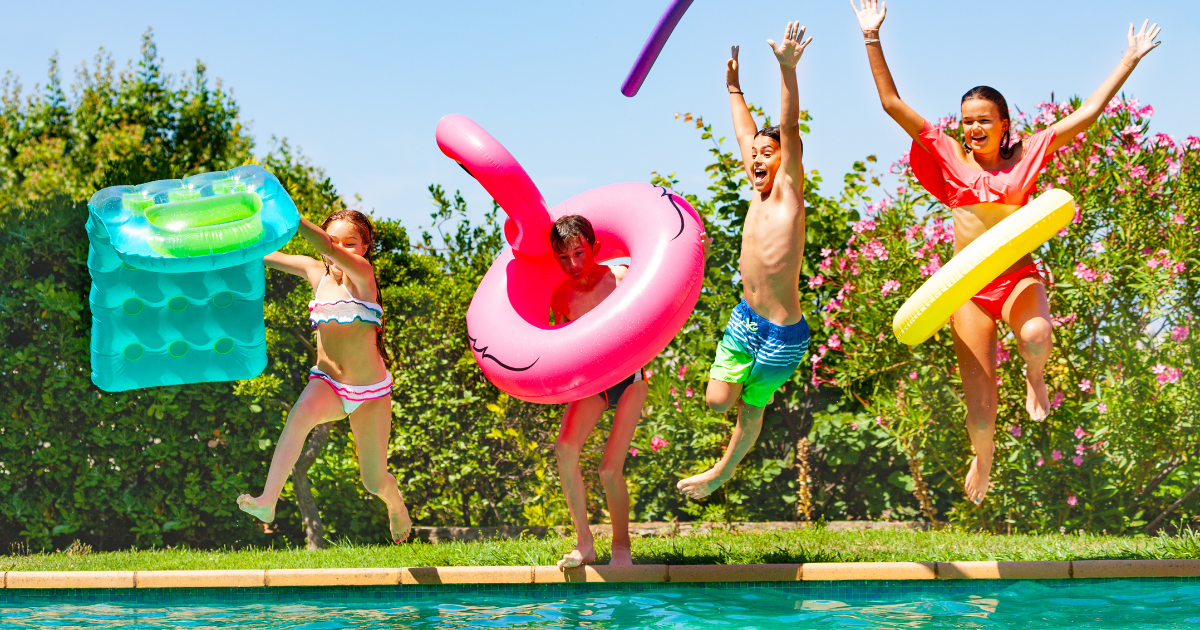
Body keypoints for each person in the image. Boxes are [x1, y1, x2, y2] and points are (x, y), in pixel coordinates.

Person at [850, 0, 1161, 503]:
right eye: (967, 121)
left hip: (1015, 275)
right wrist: (872, 36)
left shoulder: (1030, 152)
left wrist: (1129, 60)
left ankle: (1035, 375)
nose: (973, 129)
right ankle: (984, 457)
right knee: (980, 403)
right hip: (968, 288)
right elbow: (891, 103)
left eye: (984, 121)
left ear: (1004, 124)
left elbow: (1087, 115)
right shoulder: (947, 153)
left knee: (1037, 335)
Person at [677, 21, 814, 500]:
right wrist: (734, 88)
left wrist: (786, 70)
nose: (755, 158)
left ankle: (722, 470)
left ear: (786, 162)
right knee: (718, 402)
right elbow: (743, 131)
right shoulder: (756, 191)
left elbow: (789, 127)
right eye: (753, 154)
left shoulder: (788, 195)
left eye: (766, 153)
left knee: (750, 411)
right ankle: (724, 462)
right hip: (745, 320)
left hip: (783, 334)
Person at [237, 209, 411, 543]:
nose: (343, 249)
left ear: (365, 247)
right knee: (299, 414)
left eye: (352, 243)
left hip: (370, 392)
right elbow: (263, 255)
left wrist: (291, 216)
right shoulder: (314, 271)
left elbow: (329, 246)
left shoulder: (363, 274)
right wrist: (229, 243)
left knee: (373, 482)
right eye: (336, 241)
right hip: (328, 383)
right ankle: (267, 501)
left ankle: (395, 504)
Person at [549, 215, 648, 568]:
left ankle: (621, 547)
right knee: (564, 448)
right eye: (563, 257)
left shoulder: (619, 278)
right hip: (594, 385)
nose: (573, 264)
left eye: (579, 252)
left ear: (594, 248)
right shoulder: (562, 297)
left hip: (630, 379)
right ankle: (584, 543)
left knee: (609, 469)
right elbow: (561, 347)